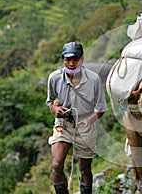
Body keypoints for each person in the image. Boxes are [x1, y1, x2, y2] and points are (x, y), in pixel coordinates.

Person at [46, 41, 107, 194]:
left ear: (82, 59)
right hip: (63, 125)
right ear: (63, 59)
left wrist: (89, 120)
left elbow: (101, 109)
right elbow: (49, 101)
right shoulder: (54, 78)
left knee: (85, 169)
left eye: (75, 59)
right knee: (57, 165)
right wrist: (55, 109)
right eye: (68, 59)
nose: (72, 63)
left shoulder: (93, 80)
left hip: (85, 126)